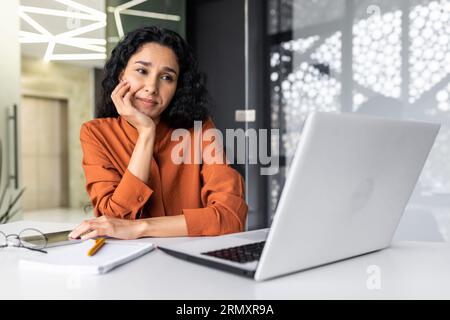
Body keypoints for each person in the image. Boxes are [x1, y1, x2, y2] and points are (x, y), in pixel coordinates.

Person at [69, 26, 248, 240]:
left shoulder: (200, 130)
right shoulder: (95, 133)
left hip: (191, 262)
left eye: (166, 77)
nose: (152, 87)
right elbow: (113, 218)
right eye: (142, 71)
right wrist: (146, 133)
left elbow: (231, 217)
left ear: (177, 87)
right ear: (120, 76)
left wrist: (140, 228)